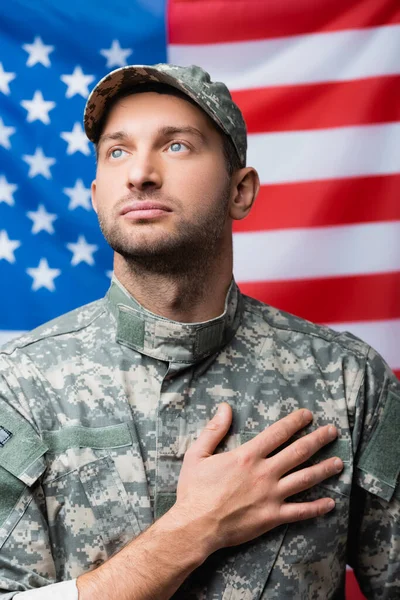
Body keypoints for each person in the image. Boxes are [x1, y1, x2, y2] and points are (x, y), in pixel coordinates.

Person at [0, 64, 398, 600]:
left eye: (177, 146)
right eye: (117, 151)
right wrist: (194, 529)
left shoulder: (351, 380)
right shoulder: (17, 385)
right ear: (96, 194)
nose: (140, 173)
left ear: (241, 191)